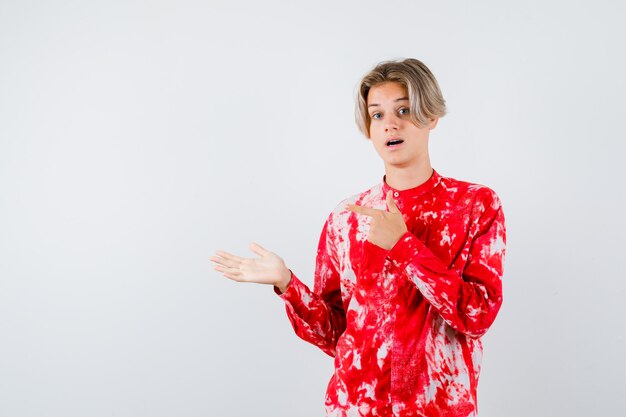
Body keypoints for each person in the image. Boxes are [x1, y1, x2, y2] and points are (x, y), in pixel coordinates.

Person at [210, 58, 506, 417]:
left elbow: (476, 317)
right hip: (356, 407)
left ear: (431, 117)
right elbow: (336, 335)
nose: (390, 124)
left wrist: (405, 247)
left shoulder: (474, 205)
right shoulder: (346, 218)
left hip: (439, 407)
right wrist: (287, 283)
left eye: (404, 109)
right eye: (377, 114)